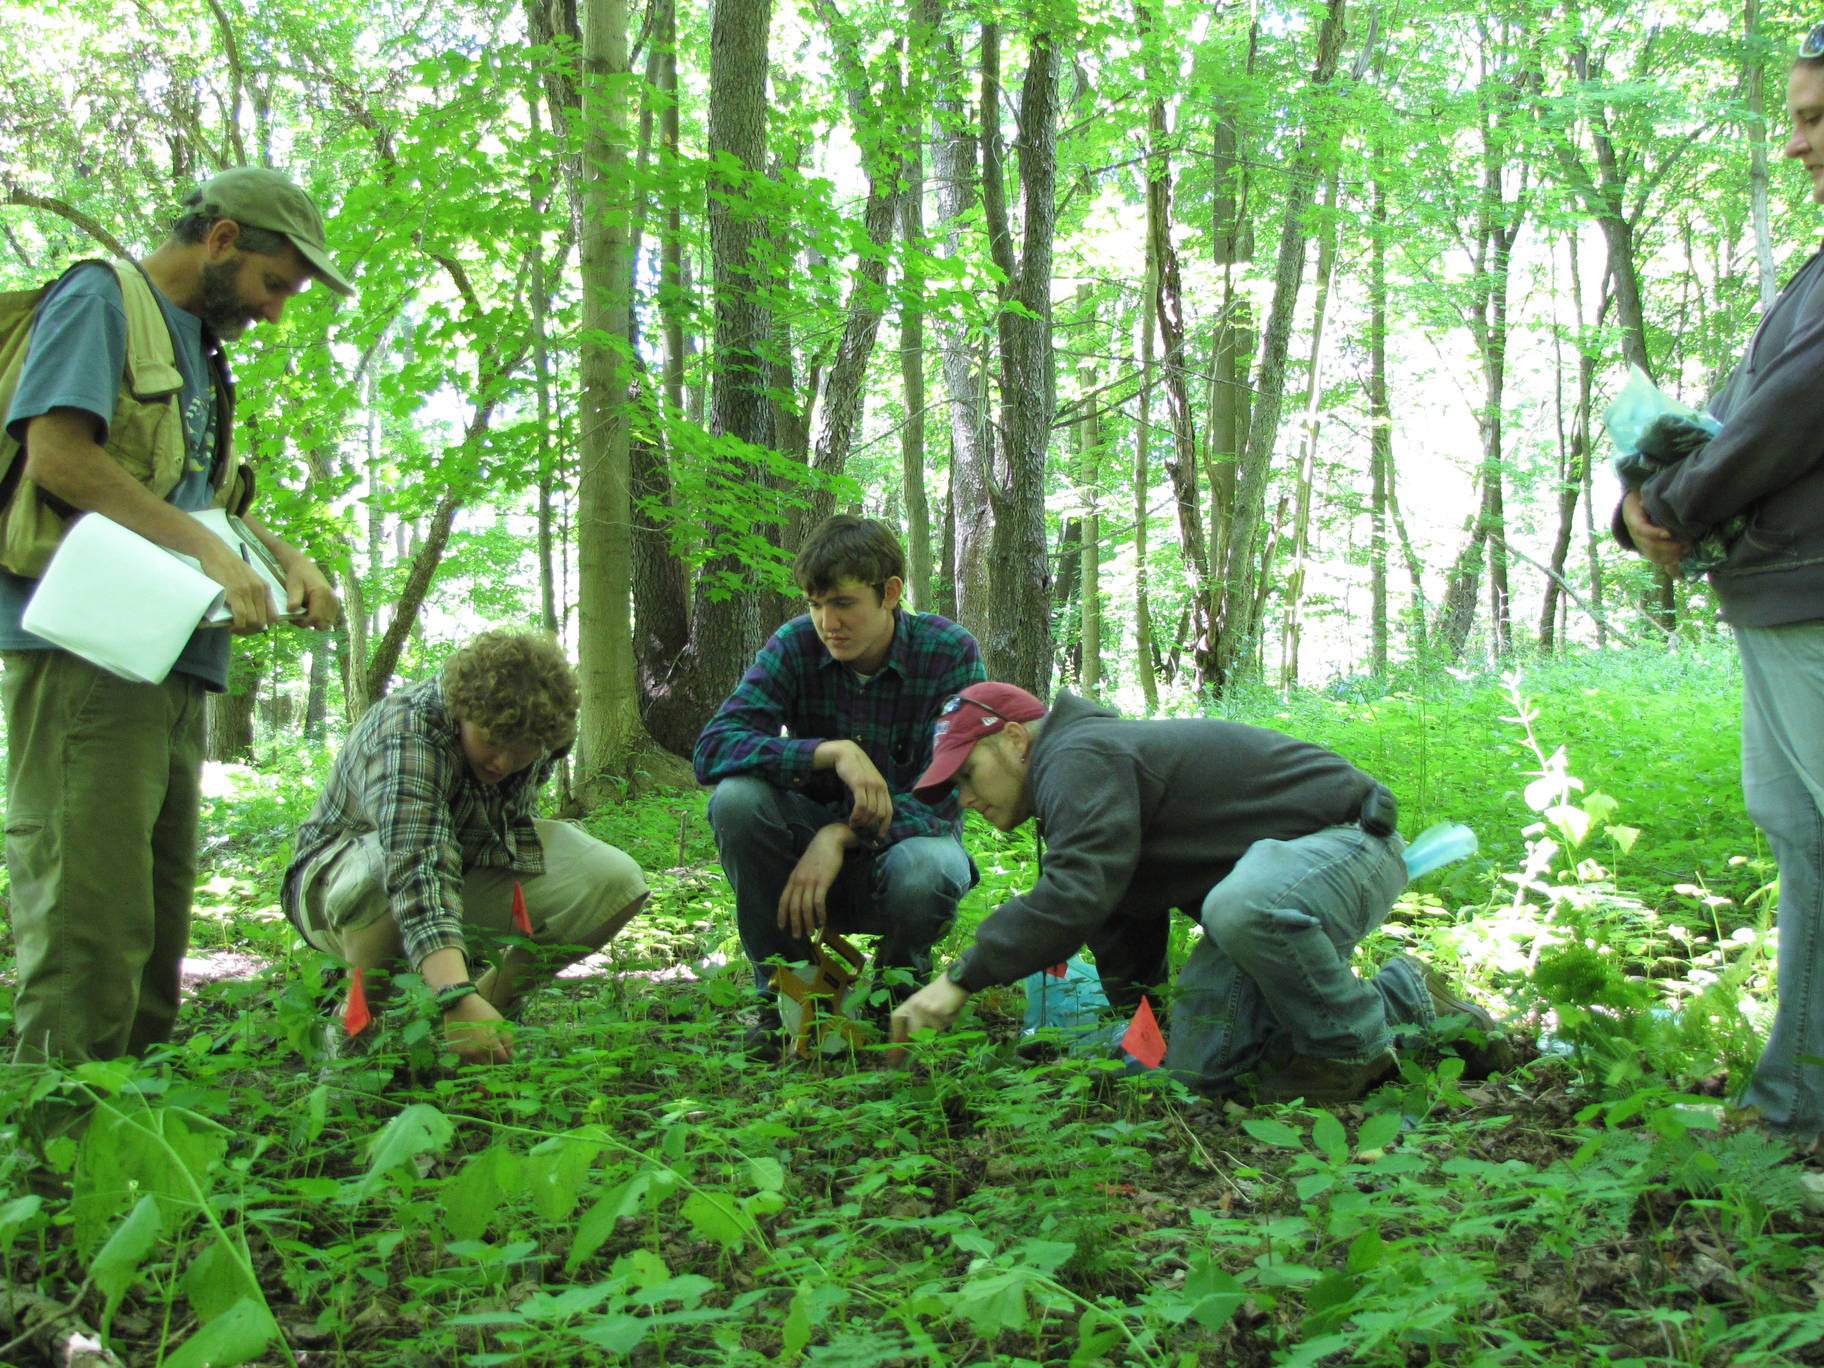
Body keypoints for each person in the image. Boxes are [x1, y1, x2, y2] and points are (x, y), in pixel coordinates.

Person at [3, 166, 346, 1064]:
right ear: (223, 239)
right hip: (90, 654)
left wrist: (285, 559)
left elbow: (197, 499)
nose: (276, 313)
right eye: (276, 285)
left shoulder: (200, 351)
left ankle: (132, 1161)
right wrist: (208, 554)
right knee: (87, 929)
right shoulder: (101, 299)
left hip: (174, 662)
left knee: (154, 935)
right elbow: (57, 455)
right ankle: (56, 1185)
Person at [889, 684, 1511, 1103]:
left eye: (967, 774)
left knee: (1242, 906)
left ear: (1017, 742)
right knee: (1201, 1069)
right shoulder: (1078, 783)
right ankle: (1407, 1000)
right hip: (1288, 875)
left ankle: (1350, 1050)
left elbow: (1074, 893)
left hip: (1348, 844)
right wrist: (1150, 1025)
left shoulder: (1078, 754)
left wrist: (960, 979)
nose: (965, 800)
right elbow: (1113, 912)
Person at [1617, 31, 1824, 1146]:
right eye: (1795, 117)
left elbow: (1793, 413)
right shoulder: (1810, 274)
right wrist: (1642, 496)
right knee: (1800, 832)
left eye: (1816, 121)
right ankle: (1797, 1107)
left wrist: (1679, 504)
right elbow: (1738, 409)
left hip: (1813, 594)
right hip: (1779, 593)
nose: (1794, 144)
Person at [284, 630, 648, 1066]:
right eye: (492, 742)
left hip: (463, 864)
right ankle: (357, 1032)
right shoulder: (407, 733)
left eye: (522, 750)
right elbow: (416, 863)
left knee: (614, 880)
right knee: (382, 866)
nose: (503, 763)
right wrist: (452, 991)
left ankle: (486, 1015)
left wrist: (465, 999)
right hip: (338, 890)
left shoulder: (544, 733)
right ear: (461, 711)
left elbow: (497, 828)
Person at [694, 515, 985, 1055]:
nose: (829, 622)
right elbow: (713, 747)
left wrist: (838, 836)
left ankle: (896, 996)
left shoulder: (947, 652)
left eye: (844, 603)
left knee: (930, 868)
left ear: (890, 593)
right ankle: (786, 998)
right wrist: (830, 753)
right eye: (815, 603)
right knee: (736, 800)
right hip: (801, 870)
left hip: (901, 857)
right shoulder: (795, 645)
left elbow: (946, 795)